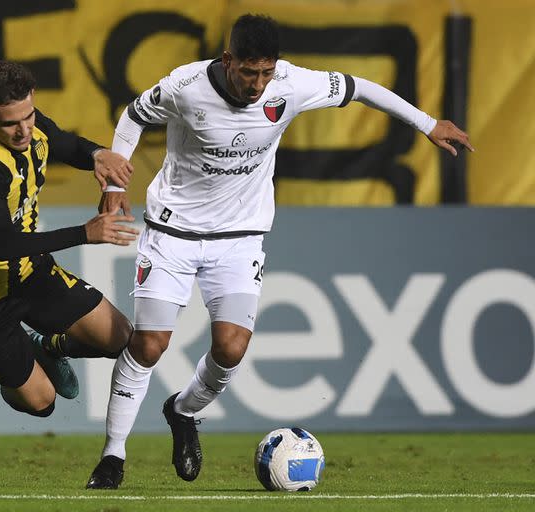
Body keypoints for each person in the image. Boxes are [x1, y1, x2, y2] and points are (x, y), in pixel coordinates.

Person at [86, 14, 474, 489]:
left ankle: (183, 411)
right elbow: (132, 116)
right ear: (228, 61)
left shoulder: (292, 84)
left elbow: (362, 87)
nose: (258, 84)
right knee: (149, 344)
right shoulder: (185, 86)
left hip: (241, 236)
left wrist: (428, 124)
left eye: (266, 73)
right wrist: (112, 178)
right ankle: (113, 456)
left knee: (230, 348)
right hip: (172, 232)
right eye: (249, 72)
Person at [0, 60, 139, 420]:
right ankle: (14, 363)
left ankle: (49, 346)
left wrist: (96, 155)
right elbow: (1, 244)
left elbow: (62, 142)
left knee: (119, 337)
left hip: (30, 274)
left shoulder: (26, 120)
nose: (23, 130)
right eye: (9, 124)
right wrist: (83, 234)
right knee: (42, 403)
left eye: (27, 116)